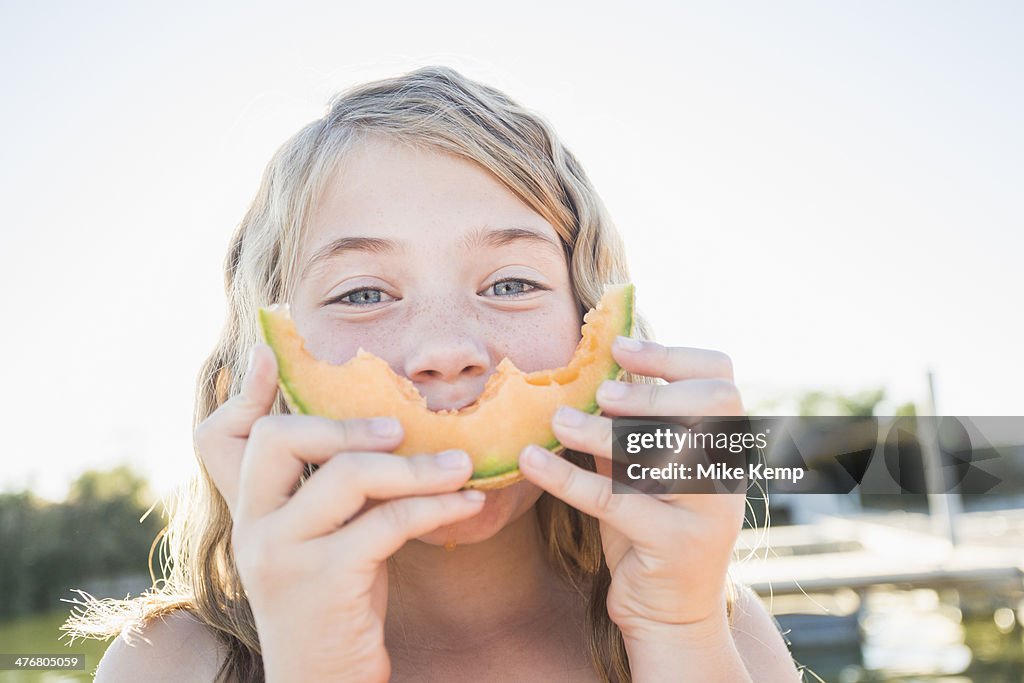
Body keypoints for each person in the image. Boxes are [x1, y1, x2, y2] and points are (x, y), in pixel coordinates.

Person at [71, 66, 800, 681]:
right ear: (258, 375)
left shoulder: (719, 630)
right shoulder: (167, 662)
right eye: (362, 293)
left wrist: (676, 631)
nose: (447, 350)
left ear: (598, 323)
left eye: (511, 284)